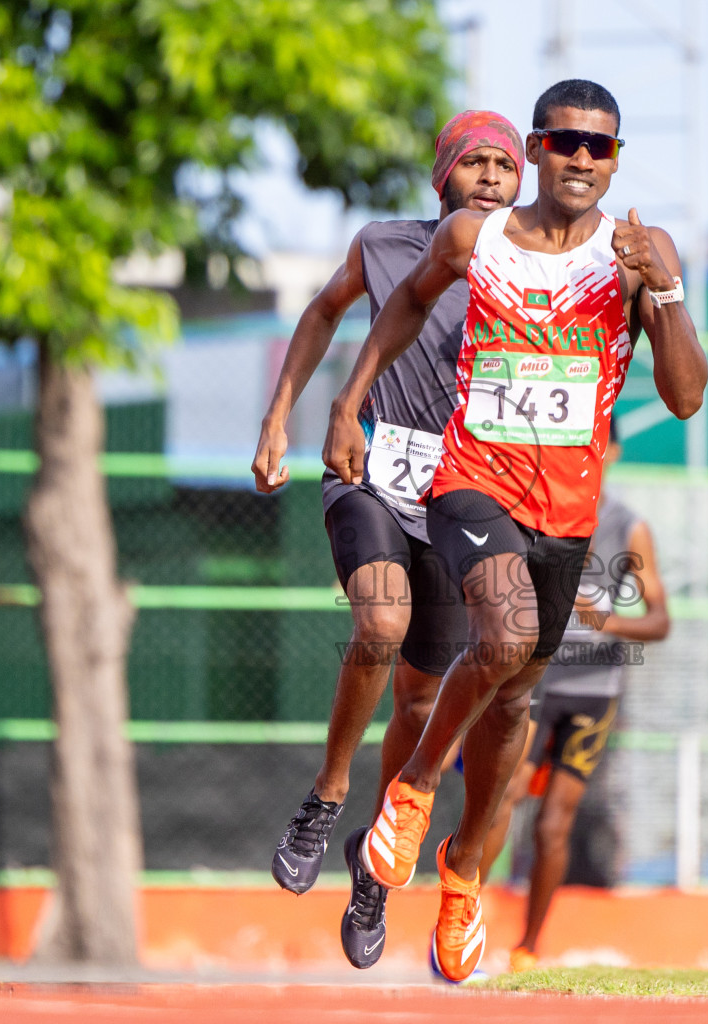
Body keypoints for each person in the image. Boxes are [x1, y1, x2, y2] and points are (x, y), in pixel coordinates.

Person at [325, 78, 707, 982]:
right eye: (565, 141)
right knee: (508, 635)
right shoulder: (476, 236)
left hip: (566, 514)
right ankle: (414, 790)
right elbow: (406, 306)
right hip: (471, 483)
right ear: (537, 150)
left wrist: (669, 288)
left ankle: (463, 877)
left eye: (600, 147)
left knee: (514, 700)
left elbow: (687, 396)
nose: (582, 158)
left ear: (616, 161)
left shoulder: (635, 255)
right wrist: (349, 401)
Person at [252, 110, 523, 968]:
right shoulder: (384, 245)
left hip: (461, 497)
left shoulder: (533, 271)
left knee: (417, 701)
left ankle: (373, 867)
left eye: (503, 165)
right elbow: (321, 314)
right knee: (378, 625)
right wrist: (278, 418)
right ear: (442, 176)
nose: (489, 176)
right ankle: (326, 796)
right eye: (472, 162)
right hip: (369, 468)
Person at [477, 423, 671, 973]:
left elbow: (660, 621)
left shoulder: (628, 528)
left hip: (594, 690)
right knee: (506, 793)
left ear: (611, 451)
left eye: (595, 443)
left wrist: (605, 620)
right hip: (537, 681)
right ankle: (463, 914)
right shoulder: (530, 512)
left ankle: (529, 948)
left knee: (554, 824)